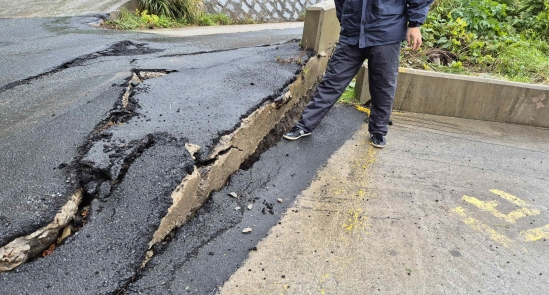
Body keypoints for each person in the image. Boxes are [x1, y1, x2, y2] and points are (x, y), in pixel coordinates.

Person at [283, 0, 433, 148]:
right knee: (333, 80)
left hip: (386, 32)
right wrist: (346, 18)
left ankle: (378, 130)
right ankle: (304, 125)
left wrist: (415, 24)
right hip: (352, 32)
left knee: (383, 85)